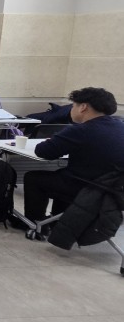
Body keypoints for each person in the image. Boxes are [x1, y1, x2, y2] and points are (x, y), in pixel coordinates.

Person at [23, 87, 124, 226]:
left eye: (73, 106)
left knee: (34, 178)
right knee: (63, 175)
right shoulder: (120, 126)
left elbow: (43, 151)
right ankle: (58, 221)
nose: (71, 110)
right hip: (115, 190)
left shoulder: (81, 130)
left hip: (88, 187)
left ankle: (34, 224)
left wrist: (55, 140)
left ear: (83, 107)